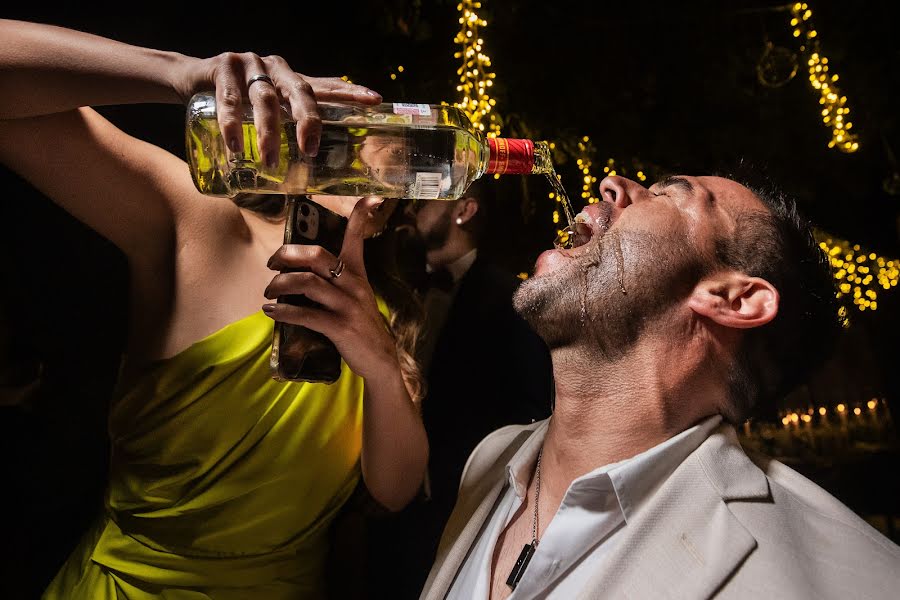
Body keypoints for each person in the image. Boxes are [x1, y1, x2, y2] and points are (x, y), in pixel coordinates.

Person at [0, 18, 429, 599]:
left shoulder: (385, 316)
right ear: (310, 128)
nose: (382, 188)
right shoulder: (201, 222)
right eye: (365, 149)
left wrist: (380, 363)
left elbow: (395, 490)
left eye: (400, 171)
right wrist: (178, 73)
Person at [420, 171, 900, 599]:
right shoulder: (490, 460)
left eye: (668, 194)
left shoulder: (839, 578)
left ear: (733, 298)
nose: (614, 184)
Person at [366, 179, 554, 598]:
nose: (411, 211)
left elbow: (532, 411)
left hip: (453, 508)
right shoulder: (397, 286)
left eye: (426, 203)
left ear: (464, 211)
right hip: (379, 505)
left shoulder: (511, 299)